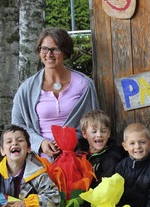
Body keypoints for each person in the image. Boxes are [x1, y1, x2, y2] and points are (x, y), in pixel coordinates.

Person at [11, 27, 98, 159]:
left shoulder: (84, 85)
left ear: (65, 52)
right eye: (44, 49)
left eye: (55, 49)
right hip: (39, 160)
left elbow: (95, 121)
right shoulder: (27, 89)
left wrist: (68, 140)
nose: (49, 54)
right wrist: (41, 143)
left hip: (76, 156)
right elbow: (18, 124)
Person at [65, 110, 126, 207]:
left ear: (109, 133)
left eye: (103, 131)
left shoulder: (112, 157)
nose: (99, 135)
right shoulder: (78, 154)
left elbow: (101, 193)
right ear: (85, 134)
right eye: (94, 131)